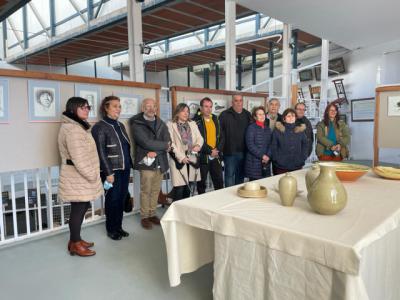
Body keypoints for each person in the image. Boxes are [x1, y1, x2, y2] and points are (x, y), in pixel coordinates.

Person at [58, 97, 103, 256]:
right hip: (78, 176)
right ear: (72, 109)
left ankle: (74, 240)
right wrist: (92, 175)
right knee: (78, 210)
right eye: (82, 107)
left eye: (88, 107)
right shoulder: (73, 130)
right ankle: (76, 244)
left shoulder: (77, 127)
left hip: (79, 176)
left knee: (82, 207)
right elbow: (79, 158)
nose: (87, 110)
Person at [92, 96, 132, 240]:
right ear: (106, 108)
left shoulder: (120, 125)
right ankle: (111, 229)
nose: (118, 109)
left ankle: (119, 227)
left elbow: (125, 147)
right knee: (112, 199)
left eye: (119, 106)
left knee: (121, 198)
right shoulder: (99, 127)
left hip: (125, 168)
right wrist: (108, 173)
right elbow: (100, 152)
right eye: (115, 106)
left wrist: (130, 166)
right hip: (111, 171)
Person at [129, 98, 171, 230]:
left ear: (156, 109)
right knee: (145, 190)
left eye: (153, 106)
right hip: (146, 163)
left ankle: (152, 213)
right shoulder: (137, 124)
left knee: (155, 190)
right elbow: (145, 142)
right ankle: (144, 217)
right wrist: (163, 146)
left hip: (160, 161)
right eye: (148, 106)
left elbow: (168, 141)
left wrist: (156, 152)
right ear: (142, 108)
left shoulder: (161, 123)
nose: (151, 109)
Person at [167, 103, 204, 201]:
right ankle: (176, 212)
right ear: (177, 112)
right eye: (183, 111)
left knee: (189, 187)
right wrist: (181, 157)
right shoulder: (171, 125)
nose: (186, 113)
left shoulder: (192, 123)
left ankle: (185, 211)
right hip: (178, 159)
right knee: (179, 188)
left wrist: (198, 145)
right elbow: (171, 143)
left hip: (191, 158)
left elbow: (200, 138)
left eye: (187, 111)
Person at [193, 97, 224, 194]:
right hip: (203, 157)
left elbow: (222, 137)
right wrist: (210, 151)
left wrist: (217, 150)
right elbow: (197, 140)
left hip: (216, 156)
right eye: (206, 106)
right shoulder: (196, 121)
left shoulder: (216, 119)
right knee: (201, 184)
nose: (208, 109)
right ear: (201, 108)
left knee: (219, 183)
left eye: (210, 107)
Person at [219, 94, 251, 187]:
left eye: (240, 100)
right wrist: (220, 150)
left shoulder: (247, 114)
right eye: (236, 100)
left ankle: (238, 196)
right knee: (229, 176)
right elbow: (220, 134)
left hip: (243, 152)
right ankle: (229, 197)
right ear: (232, 102)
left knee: (240, 176)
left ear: (243, 102)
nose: (238, 103)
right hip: (229, 153)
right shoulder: (224, 115)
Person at [271, 108, 308, 175]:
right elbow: (273, 146)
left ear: (295, 118)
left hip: (297, 164)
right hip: (281, 166)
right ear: (284, 119)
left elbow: (305, 145)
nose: (291, 118)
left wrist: (303, 157)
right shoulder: (278, 131)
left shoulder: (300, 131)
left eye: (293, 116)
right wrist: (277, 159)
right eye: (288, 116)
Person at [244, 106, 273, 181]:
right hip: (254, 163)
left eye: (263, 114)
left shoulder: (268, 129)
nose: (262, 116)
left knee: (265, 184)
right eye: (259, 114)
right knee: (254, 187)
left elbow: (271, 144)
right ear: (255, 117)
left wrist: (268, 156)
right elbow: (250, 145)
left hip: (266, 162)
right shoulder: (251, 128)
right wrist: (263, 156)